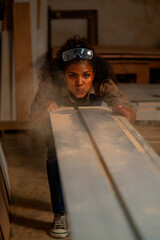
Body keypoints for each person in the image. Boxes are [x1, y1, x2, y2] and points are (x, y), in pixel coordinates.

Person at [30, 35, 136, 238]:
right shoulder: (51, 86)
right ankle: (61, 212)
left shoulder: (103, 83)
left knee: (101, 158)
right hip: (59, 138)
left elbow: (128, 109)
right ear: (63, 75)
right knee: (54, 156)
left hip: (92, 134)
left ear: (94, 74)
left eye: (86, 76)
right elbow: (33, 119)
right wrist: (44, 110)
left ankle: (93, 206)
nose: (80, 82)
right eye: (72, 76)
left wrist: (123, 110)